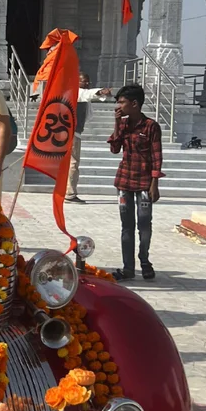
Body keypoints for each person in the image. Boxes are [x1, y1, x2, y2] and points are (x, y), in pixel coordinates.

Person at [107, 84, 163, 281]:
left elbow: (157, 157)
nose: (118, 106)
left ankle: (144, 260)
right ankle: (128, 268)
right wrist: (116, 124)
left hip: (145, 183)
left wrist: (154, 183)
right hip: (124, 181)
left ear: (134, 103)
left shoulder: (151, 126)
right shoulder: (122, 124)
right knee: (127, 225)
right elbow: (114, 149)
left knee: (145, 225)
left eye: (122, 102)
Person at [66, 73, 113, 204]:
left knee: (71, 164)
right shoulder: (75, 92)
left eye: (88, 82)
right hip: (72, 133)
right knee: (73, 164)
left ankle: (67, 192)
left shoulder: (80, 94)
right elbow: (86, 94)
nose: (86, 84)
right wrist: (100, 91)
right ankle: (69, 193)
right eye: (84, 82)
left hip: (74, 132)